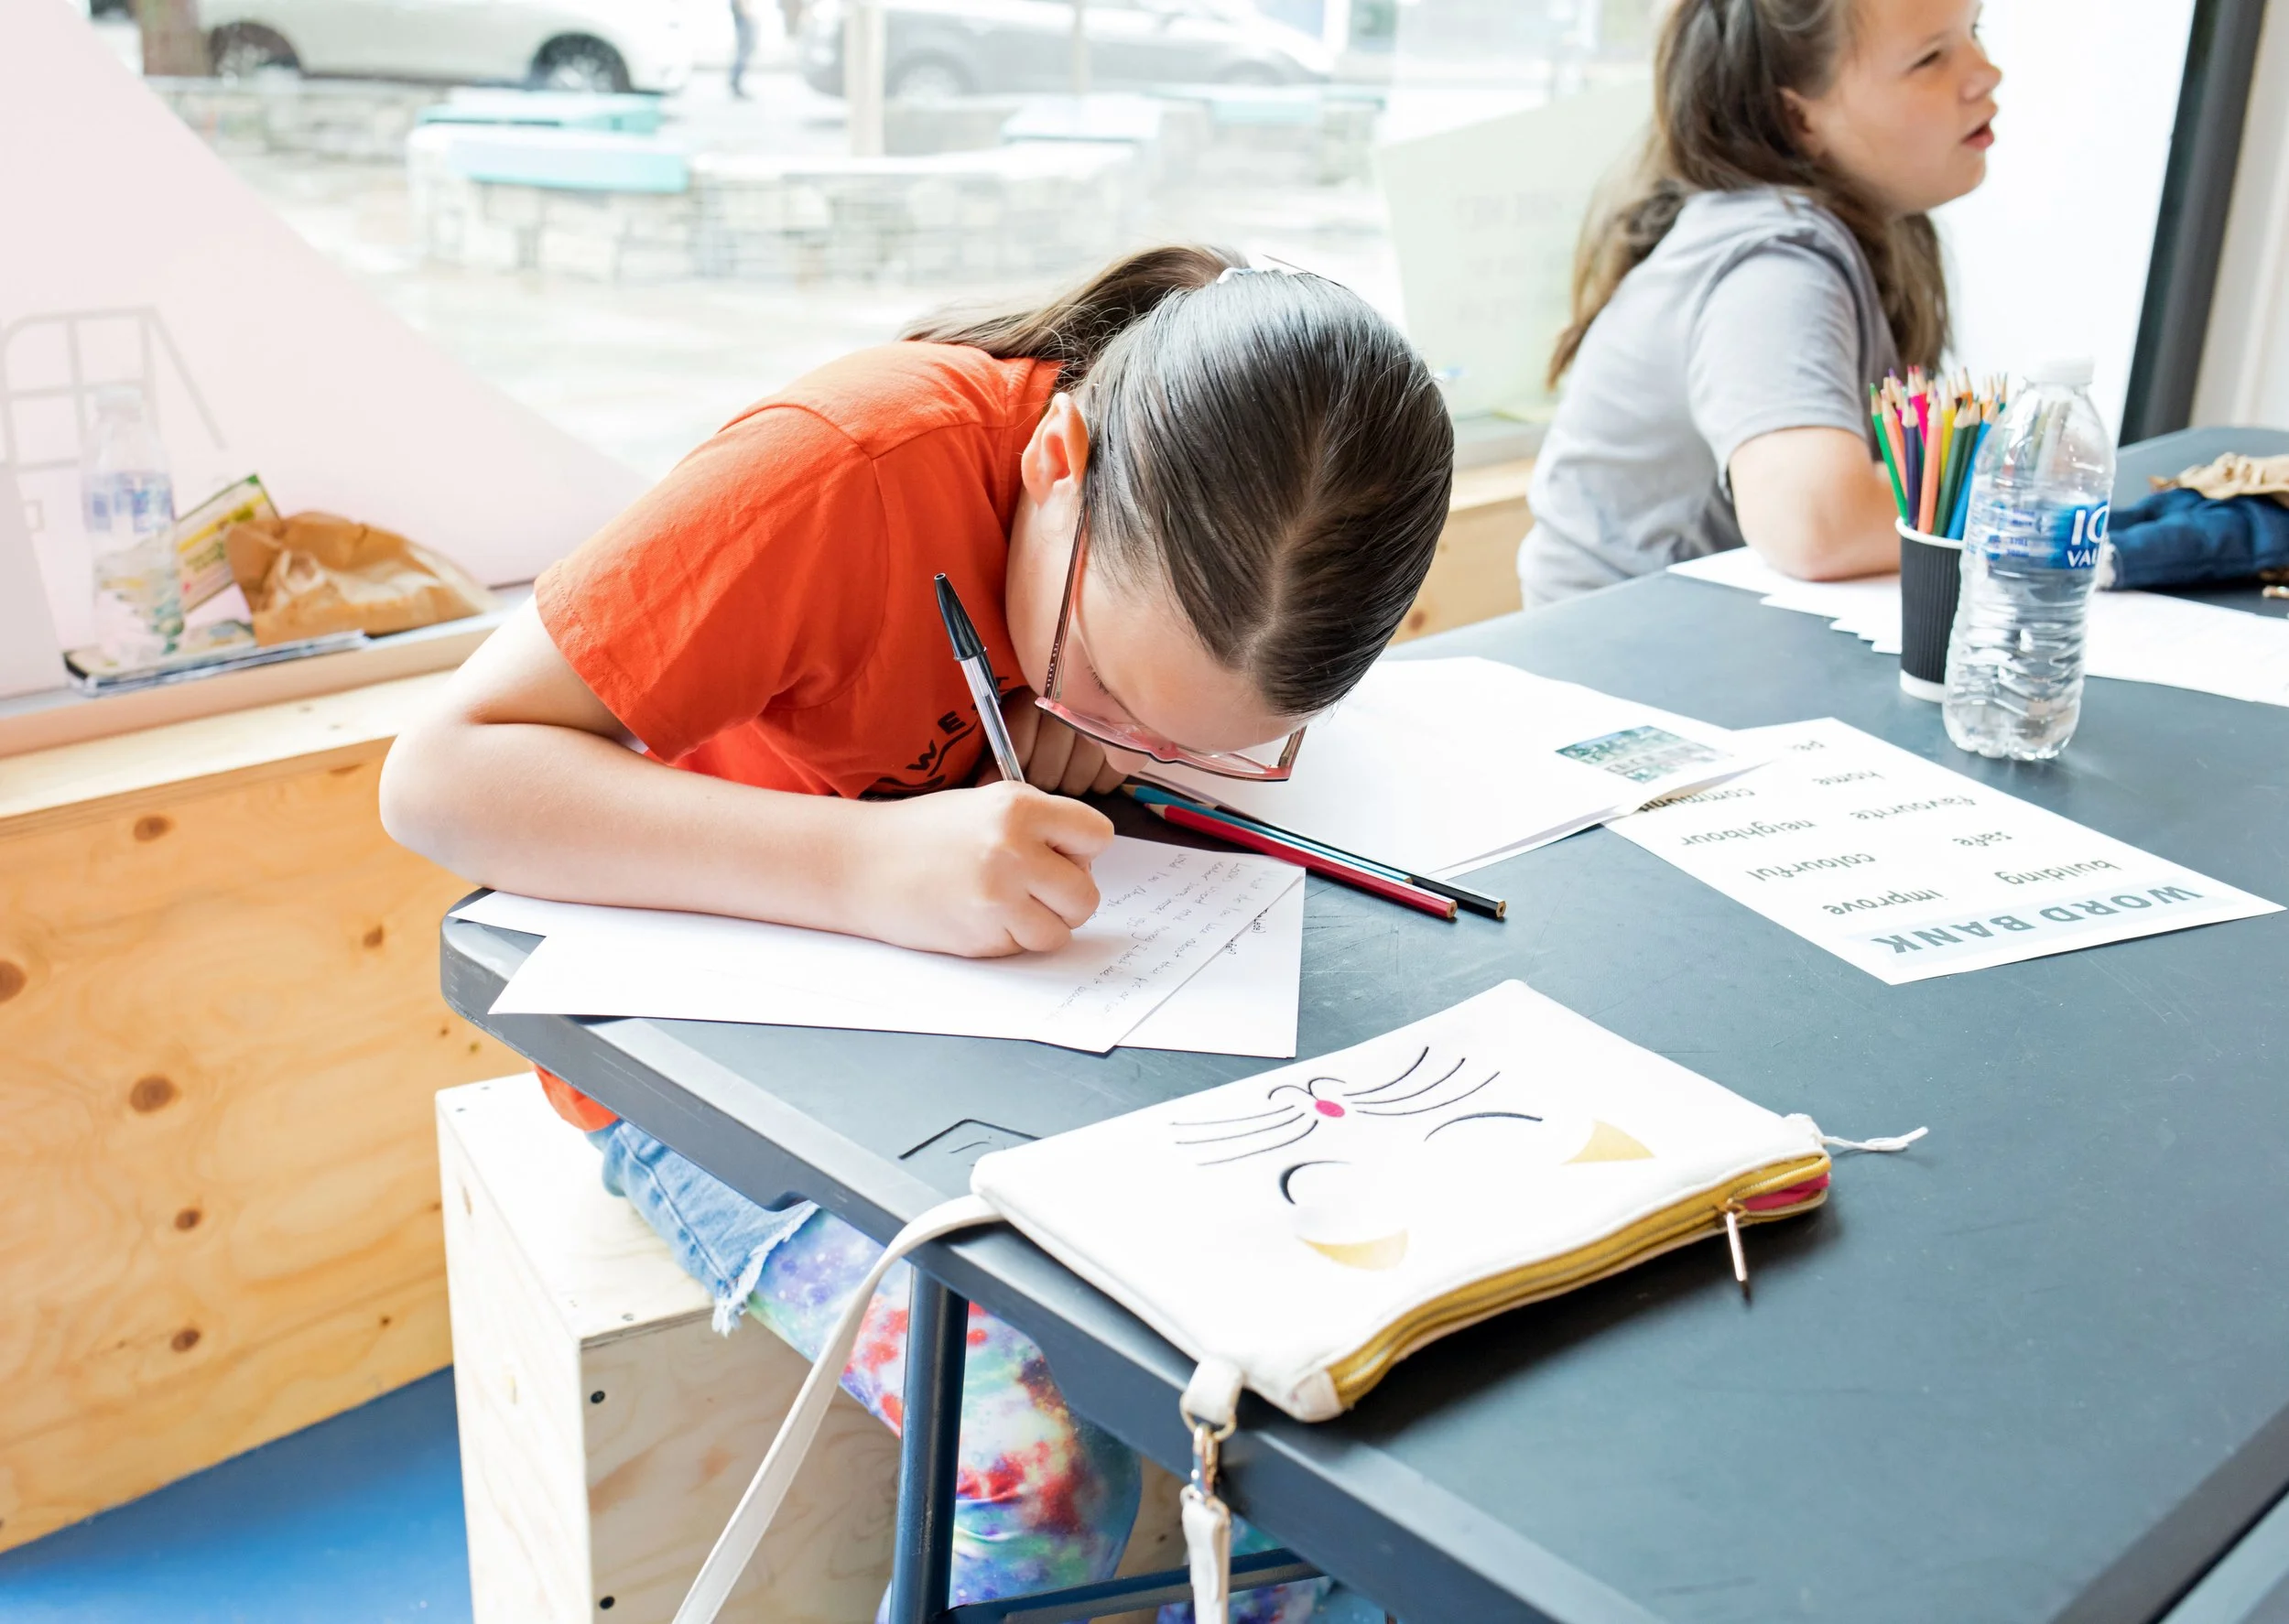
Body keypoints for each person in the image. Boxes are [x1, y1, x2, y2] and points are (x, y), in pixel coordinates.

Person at [379, 244, 1453, 1622]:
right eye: (1105, 681)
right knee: (1031, 1465)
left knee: (1325, 1388)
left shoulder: (1234, 538)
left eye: (1199, 739)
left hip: (1042, 1061)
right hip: (718, 1072)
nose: (1110, 739)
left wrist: (1132, 748)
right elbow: (442, 777)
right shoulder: (848, 469)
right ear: (1058, 458)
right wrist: (860, 865)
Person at [1518, 0, 2002, 604]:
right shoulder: (1777, 268)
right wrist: (2022, 498)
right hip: (1629, 666)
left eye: (1974, 32)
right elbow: (1816, 525)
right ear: (1797, 116)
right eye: (1930, 57)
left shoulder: (1856, 231)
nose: (1986, 71)